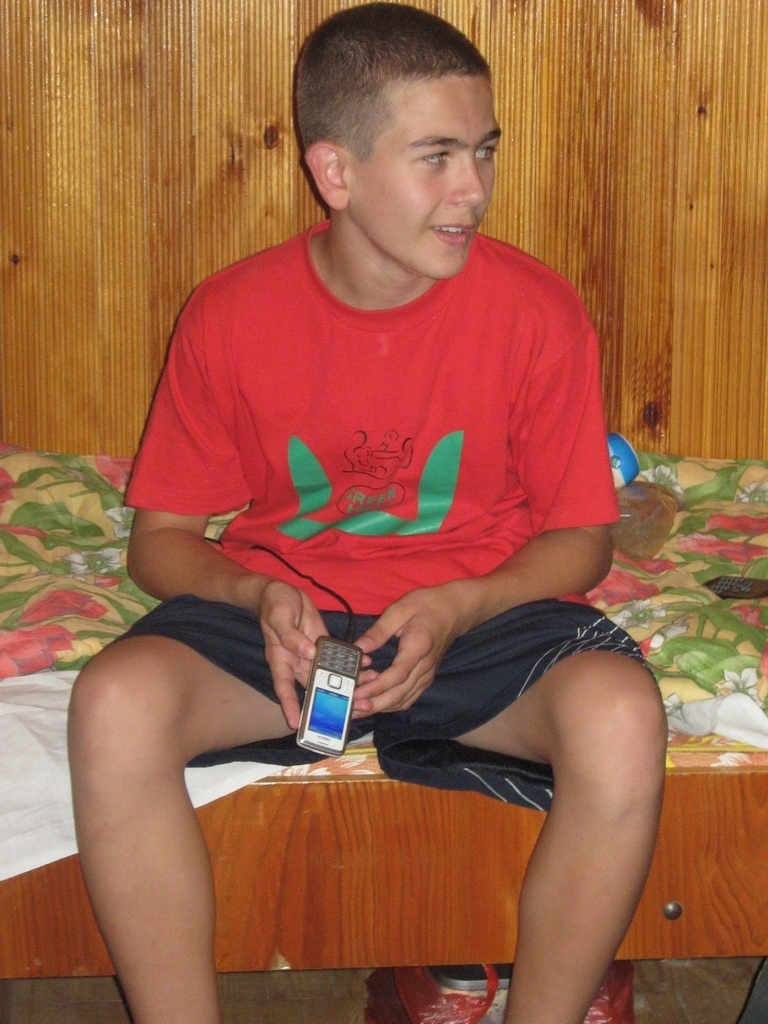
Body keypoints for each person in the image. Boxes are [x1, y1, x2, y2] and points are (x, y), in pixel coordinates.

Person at [67, 4, 667, 1023]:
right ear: (335, 173)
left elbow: (582, 538)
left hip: (479, 617)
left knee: (621, 715)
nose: (473, 188)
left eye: (483, 151)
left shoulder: (537, 311)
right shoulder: (231, 313)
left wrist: (462, 604)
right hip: (286, 630)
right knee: (113, 704)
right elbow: (160, 544)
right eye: (436, 157)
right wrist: (254, 593)